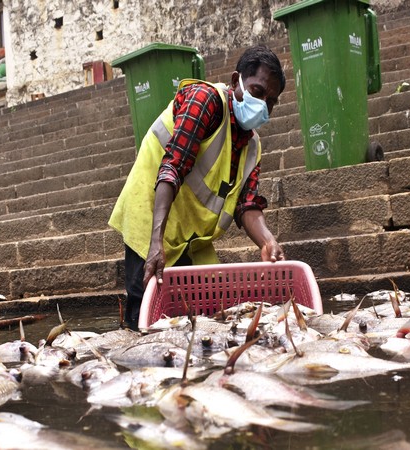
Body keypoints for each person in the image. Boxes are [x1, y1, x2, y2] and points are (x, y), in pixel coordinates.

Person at [108, 44, 286, 330]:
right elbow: (173, 167)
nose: (264, 105)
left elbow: (247, 204)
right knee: (144, 316)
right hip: (151, 218)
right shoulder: (205, 100)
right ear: (235, 81)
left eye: (272, 101)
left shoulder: (252, 146)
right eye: (258, 92)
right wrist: (156, 242)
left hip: (191, 238)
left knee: (204, 319)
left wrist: (268, 241)